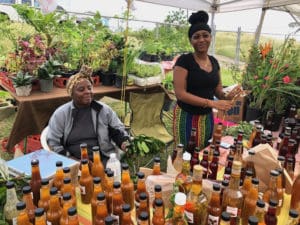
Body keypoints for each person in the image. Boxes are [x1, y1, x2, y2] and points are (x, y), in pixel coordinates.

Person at [173, 10, 241, 150]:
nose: (201, 40)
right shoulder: (184, 61)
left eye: (205, 35)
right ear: (191, 41)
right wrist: (212, 103)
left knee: (203, 150)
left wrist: (228, 96)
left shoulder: (214, 62)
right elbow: (180, 94)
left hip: (206, 118)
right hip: (186, 116)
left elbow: (218, 91)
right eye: (196, 37)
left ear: (211, 37)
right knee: (186, 152)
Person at [47, 65, 129, 166]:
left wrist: (124, 143)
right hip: (73, 162)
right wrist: (72, 160)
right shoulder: (61, 114)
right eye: (81, 89)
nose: (87, 92)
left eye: (89, 88)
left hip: (104, 159)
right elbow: (54, 143)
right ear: (71, 93)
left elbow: (118, 131)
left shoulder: (103, 110)